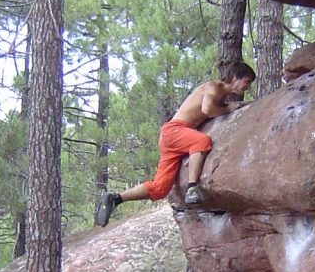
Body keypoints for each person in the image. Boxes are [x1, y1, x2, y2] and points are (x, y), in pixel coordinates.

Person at [96, 62, 256, 224]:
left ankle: (116, 198)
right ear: (236, 77)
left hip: (171, 138)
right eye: (247, 82)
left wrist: (232, 106)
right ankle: (192, 187)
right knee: (202, 140)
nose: (248, 87)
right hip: (174, 131)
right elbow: (208, 110)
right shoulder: (213, 87)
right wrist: (230, 108)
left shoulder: (221, 96)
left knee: (160, 189)